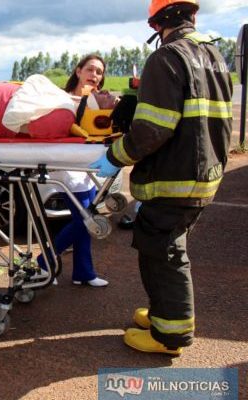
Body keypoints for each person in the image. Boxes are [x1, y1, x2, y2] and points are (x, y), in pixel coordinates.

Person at [90, 0, 232, 355]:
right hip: (203, 171)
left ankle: (171, 337)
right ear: (193, 15)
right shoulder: (213, 56)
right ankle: (161, 314)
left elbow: (154, 129)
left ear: (155, 24)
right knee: (162, 247)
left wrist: (114, 156)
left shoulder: (166, 57)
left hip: (174, 176)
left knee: (165, 254)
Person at [35, 54, 111, 287]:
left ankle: (83, 272)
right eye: (90, 69)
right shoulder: (61, 98)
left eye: (99, 72)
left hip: (89, 169)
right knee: (84, 221)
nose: (94, 75)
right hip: (68, 170)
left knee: (86, 222)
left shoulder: (98, 102)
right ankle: (44, 262)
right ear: (78, 71)